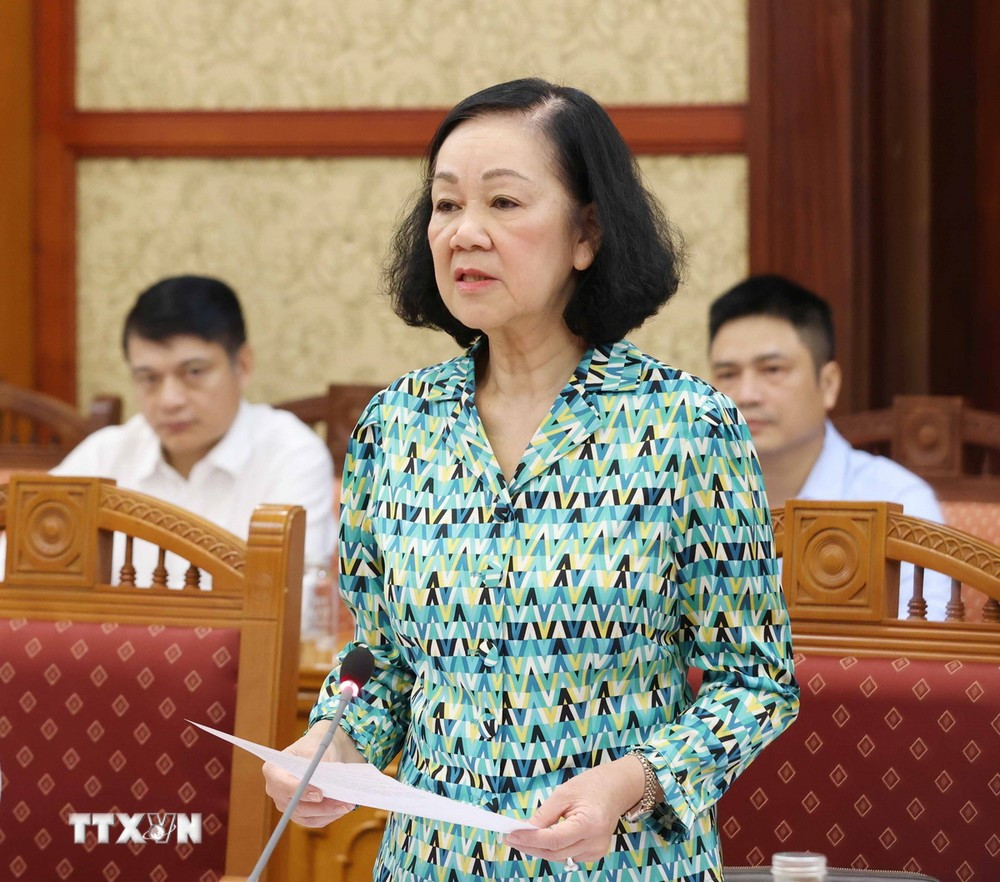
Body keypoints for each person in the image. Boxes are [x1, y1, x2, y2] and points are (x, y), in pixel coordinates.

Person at [264, 78, 799, 881]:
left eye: (504, 204)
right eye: (445, 207)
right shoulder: (395, 427)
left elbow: (757, 683)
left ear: (587, 233)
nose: (463, 233)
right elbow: (381, 661)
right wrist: (330, 742)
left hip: (622, 862)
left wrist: (632, 782)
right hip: (431, 864)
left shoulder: (687, 427)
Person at [52, 275, 336, 591]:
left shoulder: (291, 453)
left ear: (242, 365)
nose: (170, 400)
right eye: (149, 378)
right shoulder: (104, 455)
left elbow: (300, 601)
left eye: (194, 373)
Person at [708, 273, 950, 617]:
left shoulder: (899, 502)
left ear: (828, 383)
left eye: (772, 369)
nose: (746, 395)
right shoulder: (679, 493)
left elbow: (926, 654)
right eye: (728, 374)